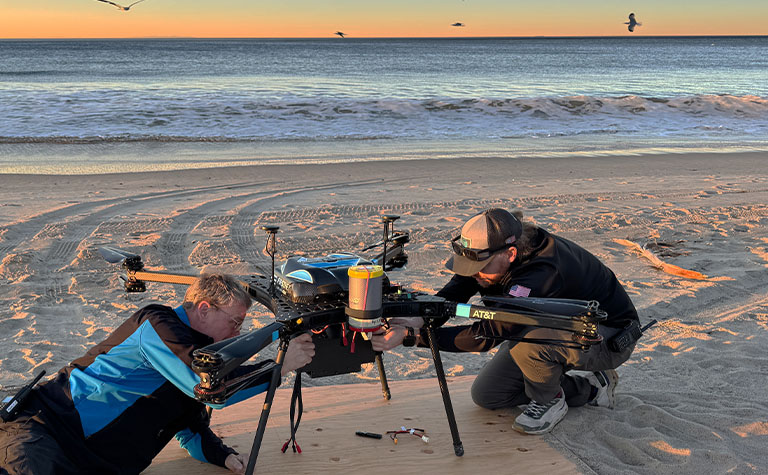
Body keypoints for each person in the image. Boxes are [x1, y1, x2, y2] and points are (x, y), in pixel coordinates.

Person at [0, 273, 315, 474]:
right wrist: (280, 366)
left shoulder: (193, 359)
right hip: (43, 430)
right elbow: (211, 390)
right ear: (204, 309)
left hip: (85, 462)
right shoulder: (158, 325)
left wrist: (225, 457)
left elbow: (189, 431)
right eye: (235, 321)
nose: (238, 330)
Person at [373, 208, 639, 435]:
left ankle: (551, 399)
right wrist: (415, 318)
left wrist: (412, 337)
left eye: (478, 268)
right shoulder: (487, 256)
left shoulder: (539, 275)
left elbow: (488, 334)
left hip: (607, 336)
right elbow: (451, 297)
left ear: (510, 254)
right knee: (489, 394)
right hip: (554, 326)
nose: (472, 273)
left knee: (530, 345)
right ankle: (592, 388)